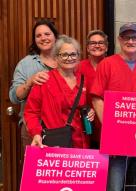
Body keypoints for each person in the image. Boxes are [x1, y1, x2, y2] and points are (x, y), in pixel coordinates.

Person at [90, 23, 136, 191]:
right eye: (126, 37)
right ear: (119, 40)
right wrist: (112, 129)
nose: (130, 41)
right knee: (115, 186)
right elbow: (97, 99)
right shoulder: (107, 64)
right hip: (116, 140)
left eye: (134, 37)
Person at [24, 35, 95, 148]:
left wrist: (91, 111)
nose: (69, 58)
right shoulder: (45, 80)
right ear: (56, 57)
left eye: (73, 54)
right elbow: (31, 112)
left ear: (78, 57)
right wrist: (36, 134)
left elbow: (90, 105)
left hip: (81, 143)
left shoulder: (84, 80)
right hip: (55, 143)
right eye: (64, 54)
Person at [9, 19, 59, 155]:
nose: (43, 38)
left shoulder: (65, 61)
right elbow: (14, 96)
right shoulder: (25, 64)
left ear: (55, 36)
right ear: (35, 40)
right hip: (33, 129)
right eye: (38, 35)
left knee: (59, 173)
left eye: (47, 34)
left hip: (61, 129)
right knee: (33, 174)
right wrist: (29, 82)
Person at [78, 30, 108, 148]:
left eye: (101, 42)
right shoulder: (78, 67)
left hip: (106, 124)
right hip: (85, 123)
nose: (97, 45)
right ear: (87, 48)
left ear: (106, 47)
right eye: (93, 43)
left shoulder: (113, 66)